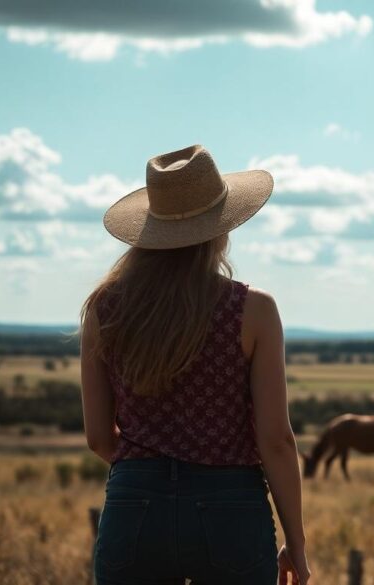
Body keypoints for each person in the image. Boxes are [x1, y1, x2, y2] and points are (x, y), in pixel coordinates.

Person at [79, 145, 310, 584]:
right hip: (232, 508)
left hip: (133, 504)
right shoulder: (253, 310)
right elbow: (276, 439)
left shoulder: (104, 308)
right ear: (220, 228)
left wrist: (149, 472)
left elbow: (97, 437)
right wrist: (295, 543)